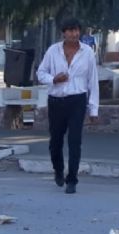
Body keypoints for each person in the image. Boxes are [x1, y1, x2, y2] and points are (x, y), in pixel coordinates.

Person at [36, 18, 99, 194]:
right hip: (56, 101)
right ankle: (58, 170)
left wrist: (94, 109)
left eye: (77, 30)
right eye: (70, 30)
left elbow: (92, 82)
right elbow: (41, 73)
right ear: (63, 33)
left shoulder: (87, 52)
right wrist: (53, 79)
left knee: (75, 141)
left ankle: (72, 179)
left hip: (77, 101)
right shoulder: (53, 51)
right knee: (55, 142)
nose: (74, 34)